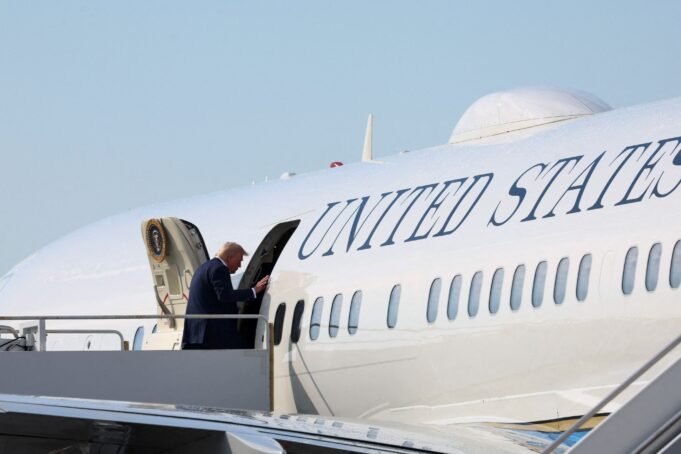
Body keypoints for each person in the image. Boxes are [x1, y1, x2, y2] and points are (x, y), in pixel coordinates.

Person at [181, 242, 269, 350]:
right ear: (229, 257)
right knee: (246, 352)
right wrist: (253, 291)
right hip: (211, 333)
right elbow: (225, 296)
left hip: (196, 333)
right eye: (240, 260)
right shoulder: (219, 268)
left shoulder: (204, 268)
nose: (240, 265)